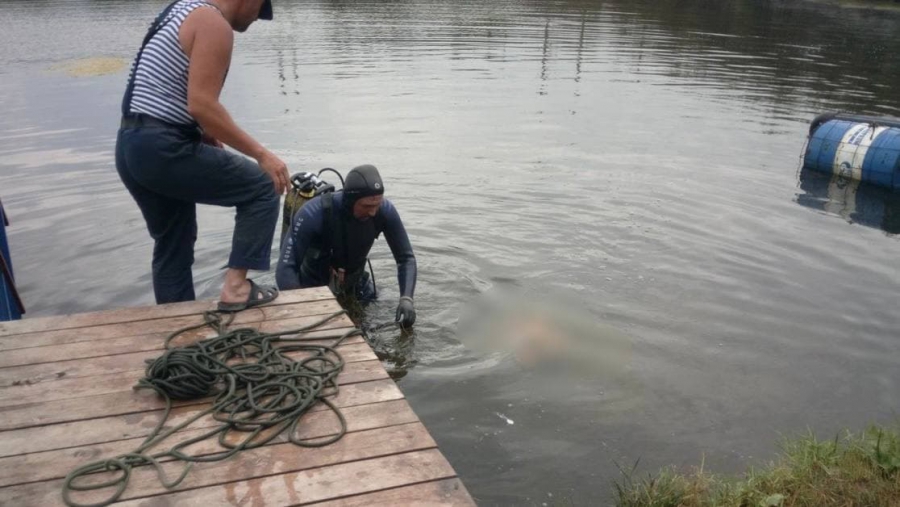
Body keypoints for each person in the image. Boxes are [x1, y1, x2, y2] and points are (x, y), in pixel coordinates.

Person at [115, 0, 288, 311]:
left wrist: (205, 134)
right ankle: (236, 288)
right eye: (259, 9)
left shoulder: (181, 10)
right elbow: (202, 105)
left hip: (131, 146)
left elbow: (167, 88)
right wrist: (263, 155)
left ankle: (177, 326)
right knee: (263, 185)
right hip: (163, 147)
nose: (258, 18)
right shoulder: (214, 23)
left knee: (174, 243)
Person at [276, 165, 418, 328]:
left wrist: (406, 299)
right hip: (314, 287)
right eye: (366, 206)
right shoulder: (313, 213)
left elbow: (405, 258)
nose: (373, 212)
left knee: (372, 331)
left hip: (357, 287)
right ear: (350, 201)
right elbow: (286, 267)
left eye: (376, 205)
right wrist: (304, 309)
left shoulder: (384, 211)